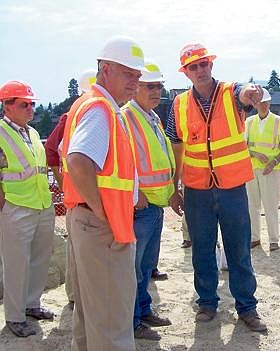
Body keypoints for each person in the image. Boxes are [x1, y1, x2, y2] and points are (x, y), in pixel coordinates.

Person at [165, 43, 267, 332]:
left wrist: (251, 93)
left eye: (203, 64)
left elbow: (245, 92)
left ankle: (247, 307)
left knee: (239, 250)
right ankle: (207, 303)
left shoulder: (231, 93)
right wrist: (175, 187)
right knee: (202, 250)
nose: (199, 70)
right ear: (185, 72)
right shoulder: (179, 104)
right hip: (197, 190)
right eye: (193, 67)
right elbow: (176, 146)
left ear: (211, 65)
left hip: (232, 188)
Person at [61, 36, 146, 351]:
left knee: (90, 316)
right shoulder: (101, 109)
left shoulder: (91, 104)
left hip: (86, 221)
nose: (135, 83)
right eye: (129, 74)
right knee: (111, 322)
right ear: (105, 69)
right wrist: (101, 211)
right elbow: (78, 161)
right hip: (101, 226)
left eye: (138, 77)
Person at [120, 60, 173, 340]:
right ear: (136, 87)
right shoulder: (127, 116)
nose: (156, 91)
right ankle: (133, 321)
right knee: (134, 269)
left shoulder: (151, 116)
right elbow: (124, 159)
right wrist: (135, 193)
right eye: (150, 86)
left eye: (159, 86)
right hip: (141, 206)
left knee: (144, 268)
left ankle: (143, 310)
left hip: (155, 203)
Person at [0, 80, 55, 337]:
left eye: (32, 103)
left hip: (41, 204)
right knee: (16, 264)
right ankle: (14, 316)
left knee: (40, 259)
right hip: (15, 206)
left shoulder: (32, 133)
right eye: (24, 104)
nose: (30, 108)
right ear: (7, 106)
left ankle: (32, 304)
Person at [44, 68, 97, 306]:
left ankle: (79, 295)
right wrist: (66, 183)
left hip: (83, 196)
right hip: (79, 199)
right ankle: (76, 295)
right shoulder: (75, 116)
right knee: (77, 251)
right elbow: (52, 152)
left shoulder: (84, 113)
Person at [245, 88, 280, 251]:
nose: (264, 105)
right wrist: (255, 153)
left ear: (270, 103)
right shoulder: (249, 122)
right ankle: (254, 237)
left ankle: (273, 240)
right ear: (255, 104)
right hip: (251, 170)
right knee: (252, 206)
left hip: (271, 171)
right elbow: (243, 147)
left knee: (271, 206)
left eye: (266, 102)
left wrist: (273, 162)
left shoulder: (279, 121)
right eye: (260, 102)